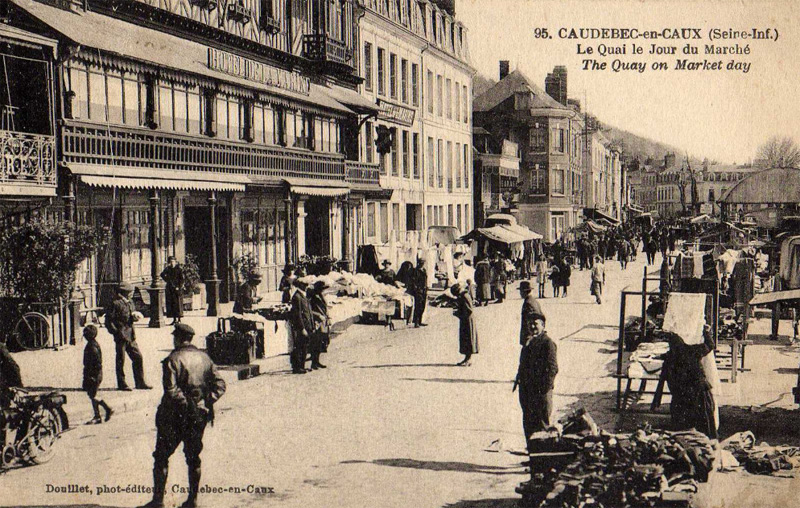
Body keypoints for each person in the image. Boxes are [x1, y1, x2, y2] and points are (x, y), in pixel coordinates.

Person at [139, 324, 226, 508]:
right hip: (198, 417)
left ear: (178, 338)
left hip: (174, 416)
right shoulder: (205, 358)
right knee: (193, 457)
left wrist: (187, 405)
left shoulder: (172, 360)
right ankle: (192, 501)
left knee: (161, 456)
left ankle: (158, 501)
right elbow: (220, 385)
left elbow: (171, 390)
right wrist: (203, 402)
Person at [661, 328, 717, 439]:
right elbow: (710, 345)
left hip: (682, 396)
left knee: (683, 424)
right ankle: (707, 439)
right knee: (704, 420)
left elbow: (667, 378)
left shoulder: (669, 358)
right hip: (698, 392)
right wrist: (707, 332)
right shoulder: (691, 350)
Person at [514, 311, 557, 452]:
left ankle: (542, 461)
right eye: (530, 323)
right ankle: (532, 456)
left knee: (541, 427)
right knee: (529, 424)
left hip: (540, 393)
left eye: (536, 323)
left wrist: (544, 390)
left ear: (543, 325)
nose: (532, 326)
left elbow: (552, 369)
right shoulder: (529, 341)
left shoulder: (547, 343)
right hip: (527, 392)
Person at [105, 282, 150, 391]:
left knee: (138, 357)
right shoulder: (115, 304)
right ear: (124, 293)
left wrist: (134, 317)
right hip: (121, 336)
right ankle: (122, 383)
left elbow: (130, 315)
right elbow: (108, 321)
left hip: (131, 335)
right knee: (121, 360)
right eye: (130, 292)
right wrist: (116, 332)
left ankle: (140, 382)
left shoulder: (130, 303)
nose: (132, 294)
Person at [83, 325, 112, 424]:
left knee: (93, 395)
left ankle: (105, 410)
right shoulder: (94, 344)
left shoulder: (91, 347)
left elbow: (96, 363)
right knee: (92, 395)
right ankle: (98, 415)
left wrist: (91, 376)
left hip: (93, 374)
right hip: (95, 374)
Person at [288, 279, 314, 374]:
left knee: (304, 347)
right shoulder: (297, 297)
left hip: (307, 325)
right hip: (301, 327)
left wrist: (311, 324)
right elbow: (298, 314)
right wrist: (302, 328)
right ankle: (297, 367)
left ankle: (301, 366)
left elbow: (308, 311)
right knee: (299, 347)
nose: (307, 286)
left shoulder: (303, 295)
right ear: (300, 285)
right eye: (305, 285)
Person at [452, 283, 478, 366]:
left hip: (467, 320)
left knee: (468, 339)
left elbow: (469, 310)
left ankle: (468, 359)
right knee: (465, 339)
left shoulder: (464, 296)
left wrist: (458, 313)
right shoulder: (464, 295)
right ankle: (466, 358)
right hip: (465, 320)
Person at [308, 281, 330, 370]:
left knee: (320, 342)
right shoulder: (313, 298)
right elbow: (310, 310)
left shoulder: (321, 296)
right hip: (317, 322)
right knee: (316, 342)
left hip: (323, 321)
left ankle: (317, 361)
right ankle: (314, 362)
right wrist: (318, 315)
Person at [518, 280, 545, 346]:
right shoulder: (534, 301)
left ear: (524, 291)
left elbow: (529, 322)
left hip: (530, 337)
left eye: (520, 291)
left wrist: (529, 337)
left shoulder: (528, 303)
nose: (520, 293)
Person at [160, 256, 184, 325]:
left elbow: (182, 280)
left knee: (178, 304)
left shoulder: (179, 269)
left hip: (177, 289)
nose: (172, 263)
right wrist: (167, 280)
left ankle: (179, 319)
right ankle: (174, 319)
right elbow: (162, 274)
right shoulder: (168, 269)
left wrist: (178, 287)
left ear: (175, 262)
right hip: (170, 288)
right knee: (171, 304)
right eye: (170, 262)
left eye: (173, 262)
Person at [409, 258, 429, 327]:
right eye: (421, 263)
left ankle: (420, 321)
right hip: (418, 291)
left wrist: (426, 287)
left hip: (424, 290)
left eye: (423, 262)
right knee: (418, 306)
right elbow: (413, 282)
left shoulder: (424, 270)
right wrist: (417, 289)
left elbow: (425, 280)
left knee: (423, 306)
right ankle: (416, 322)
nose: (422, 264)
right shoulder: (415, 271)